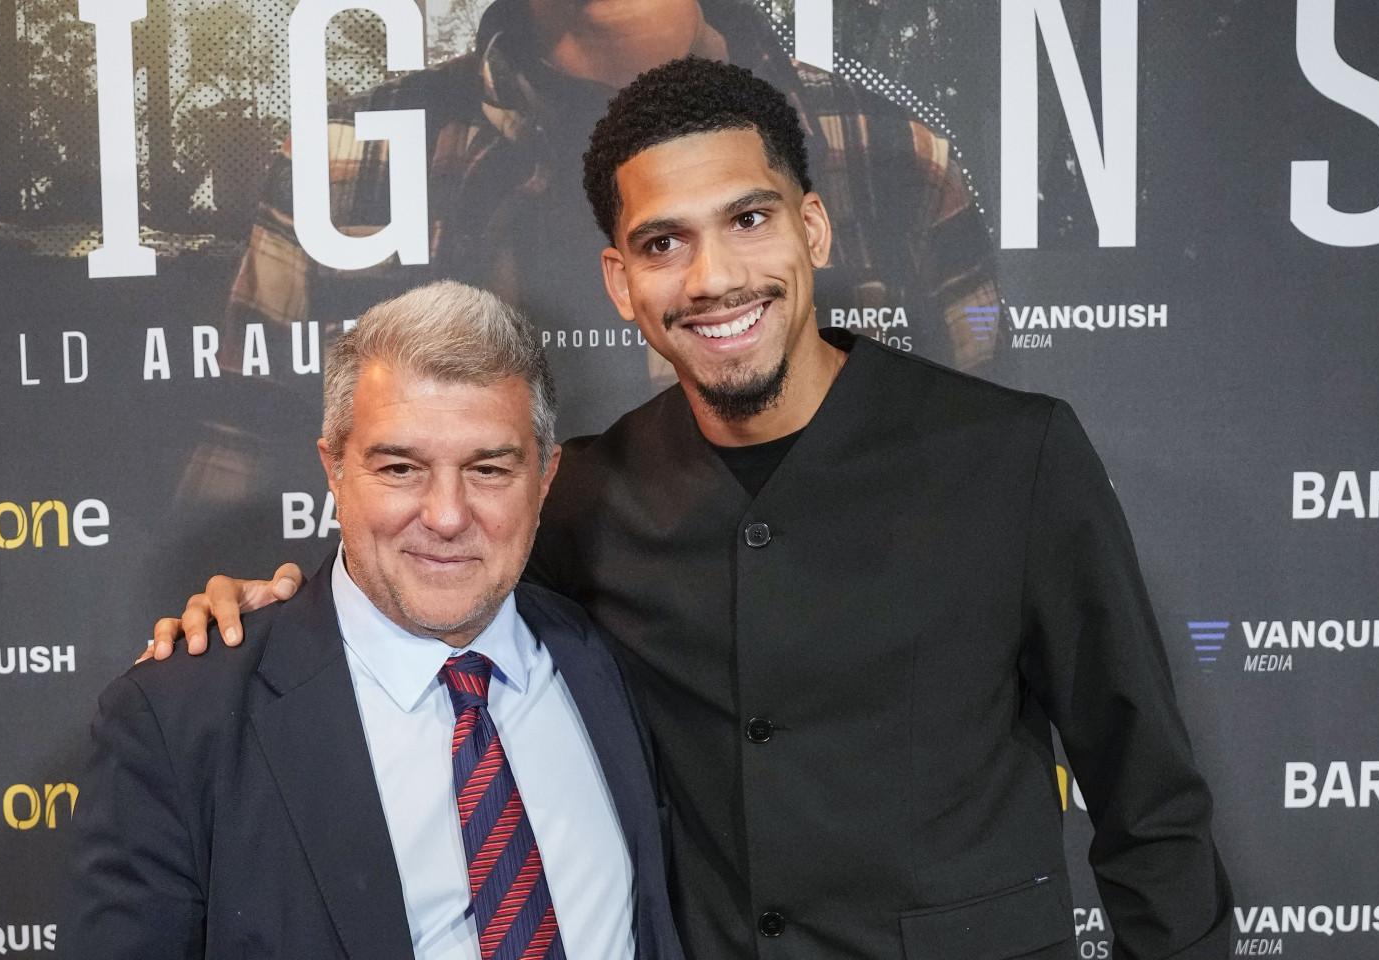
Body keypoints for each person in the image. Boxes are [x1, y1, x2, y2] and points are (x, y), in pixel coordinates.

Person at [152, 59, 1232, 959]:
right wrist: (270, 610)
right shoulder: (581, 493)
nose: (713, 278)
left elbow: (1149, 806)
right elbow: (429, 586)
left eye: (748, 219)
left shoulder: (1010, 456)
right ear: (620, 282)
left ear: (812, 229)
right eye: (663, 244)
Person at [63, 282, 683, 959]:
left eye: (488, 469)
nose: (446, 516)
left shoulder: (603, 653)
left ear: (545, 478)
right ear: (334, 469)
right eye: (400, 468)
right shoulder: (179, 720)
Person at [182, 0, 1000, 504]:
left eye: (750, 220)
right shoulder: (346, 159)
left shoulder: (891, 153)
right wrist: (235, 598)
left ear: (809, 221)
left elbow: (991, 462)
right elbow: (238, 478)